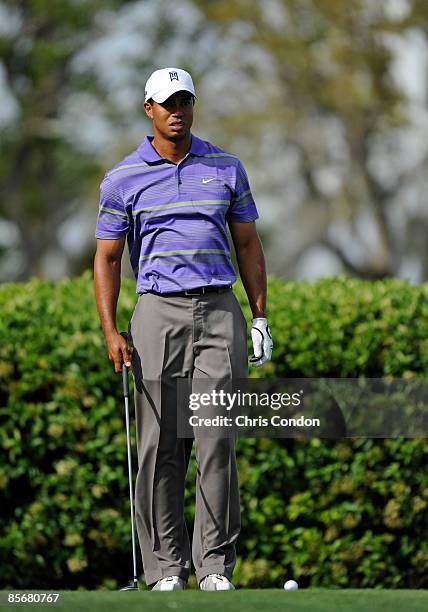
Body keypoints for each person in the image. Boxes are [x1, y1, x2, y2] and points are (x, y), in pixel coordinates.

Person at [93, 67, 273, 592]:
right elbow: (105, 260)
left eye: (186, 101)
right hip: (157, 314)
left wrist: (259, 316)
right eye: (168, 102)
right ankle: (167, 568)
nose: (179, 111)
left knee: (217, 439)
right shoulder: (122, 178)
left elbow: (248, 244)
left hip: (219, 311)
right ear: (147, 108)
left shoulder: (226, 167)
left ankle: (214, 566)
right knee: (162, 444)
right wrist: (111, 331)